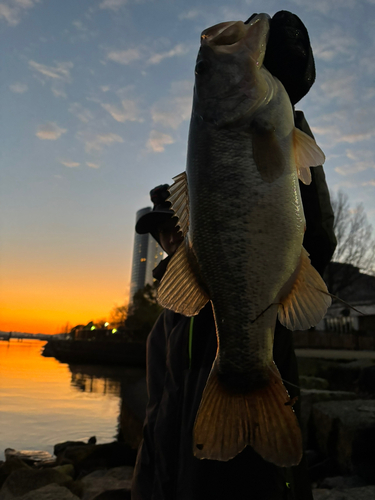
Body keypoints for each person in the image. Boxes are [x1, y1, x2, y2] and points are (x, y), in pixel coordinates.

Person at [131, 11, 337, 500]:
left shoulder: (210, 295)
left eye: (172, 227)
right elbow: (158, 419)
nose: (169, 240)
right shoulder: (168, 321)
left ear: (189, 223)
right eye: (160, 234)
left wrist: (289, 106)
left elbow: (315, 236)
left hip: (256, 486)